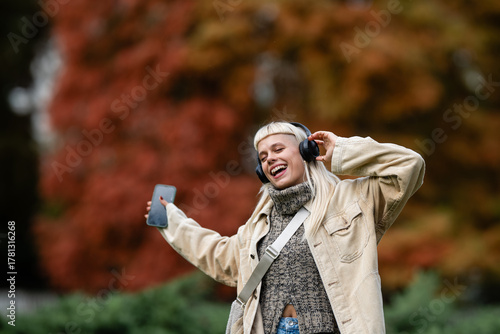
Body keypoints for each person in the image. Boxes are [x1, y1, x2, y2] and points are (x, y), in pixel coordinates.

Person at [145, 121, 425, 334]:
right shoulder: (259, 225)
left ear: (306, 151)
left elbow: (409, 166)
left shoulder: (353, 200)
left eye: (278, 149)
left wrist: (342, 151)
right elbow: (218, 255)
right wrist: (173, 221)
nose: (269, 159)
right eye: (263, 157)